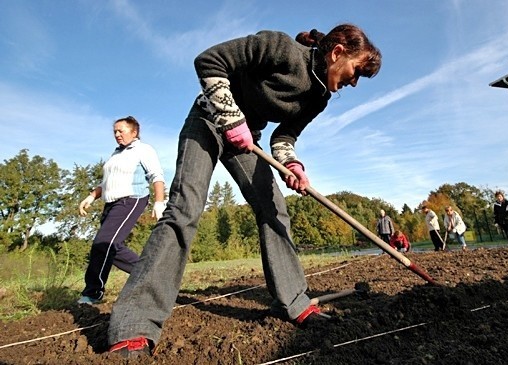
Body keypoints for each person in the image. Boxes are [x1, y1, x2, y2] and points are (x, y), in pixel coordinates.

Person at [107, 25, 382, 358]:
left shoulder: (318, 97)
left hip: (245, 139)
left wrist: (292, 166)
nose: (354, 83)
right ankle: (134, 324)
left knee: (273, 208)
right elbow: (209, 61)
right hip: (207, 120)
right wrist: (231, 117)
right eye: (356, 72)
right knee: (185, 208)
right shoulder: (280, 48)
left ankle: (295, 302)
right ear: (337, 52)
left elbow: (284, 138)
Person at [77, 116, 166, 305]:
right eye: (115, 131)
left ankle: (93, 292)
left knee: (102, 243)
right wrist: (91, 196)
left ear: (134, 132)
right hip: (111, 203)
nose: (117, 134)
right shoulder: (116, 154)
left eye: (121, 131)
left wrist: (159, 202)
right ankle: (151, 276)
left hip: (130, 200)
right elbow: (106, 182)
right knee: (113, 248)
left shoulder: (143, 150)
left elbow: (157, 176)